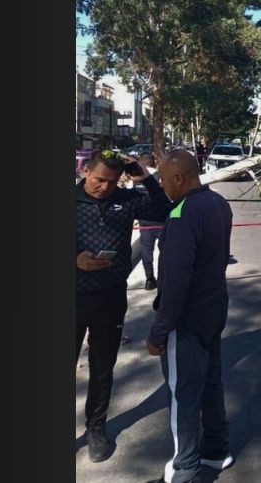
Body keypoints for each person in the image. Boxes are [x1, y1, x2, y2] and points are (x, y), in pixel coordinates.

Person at [144, 149, 235, 482]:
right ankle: (216, 450)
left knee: (183, 393)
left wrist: (159, 331)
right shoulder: (218, 204)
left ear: (179, 178)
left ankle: (184, 470)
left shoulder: (182, 214)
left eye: (166, 180)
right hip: (215, 307)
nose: (165, 187)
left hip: (188, 317)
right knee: (210, 381)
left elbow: (177, 280)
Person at [76, 149, 170, 463]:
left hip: (110, 298)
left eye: (112, 181)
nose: (104, 186)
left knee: (103, 368)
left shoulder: (126, 200)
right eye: (99, 179)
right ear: (85, 170)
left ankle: (96, 427)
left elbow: (164, 210)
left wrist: (144, 176)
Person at [136, 153, 162, 291]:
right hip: (161, 220)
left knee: (146, 250)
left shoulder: (134, 178)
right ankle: (165, 277)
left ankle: (149, 279)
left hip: (144, 221)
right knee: (165, 250)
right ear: (153, 162)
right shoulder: (159, 176)